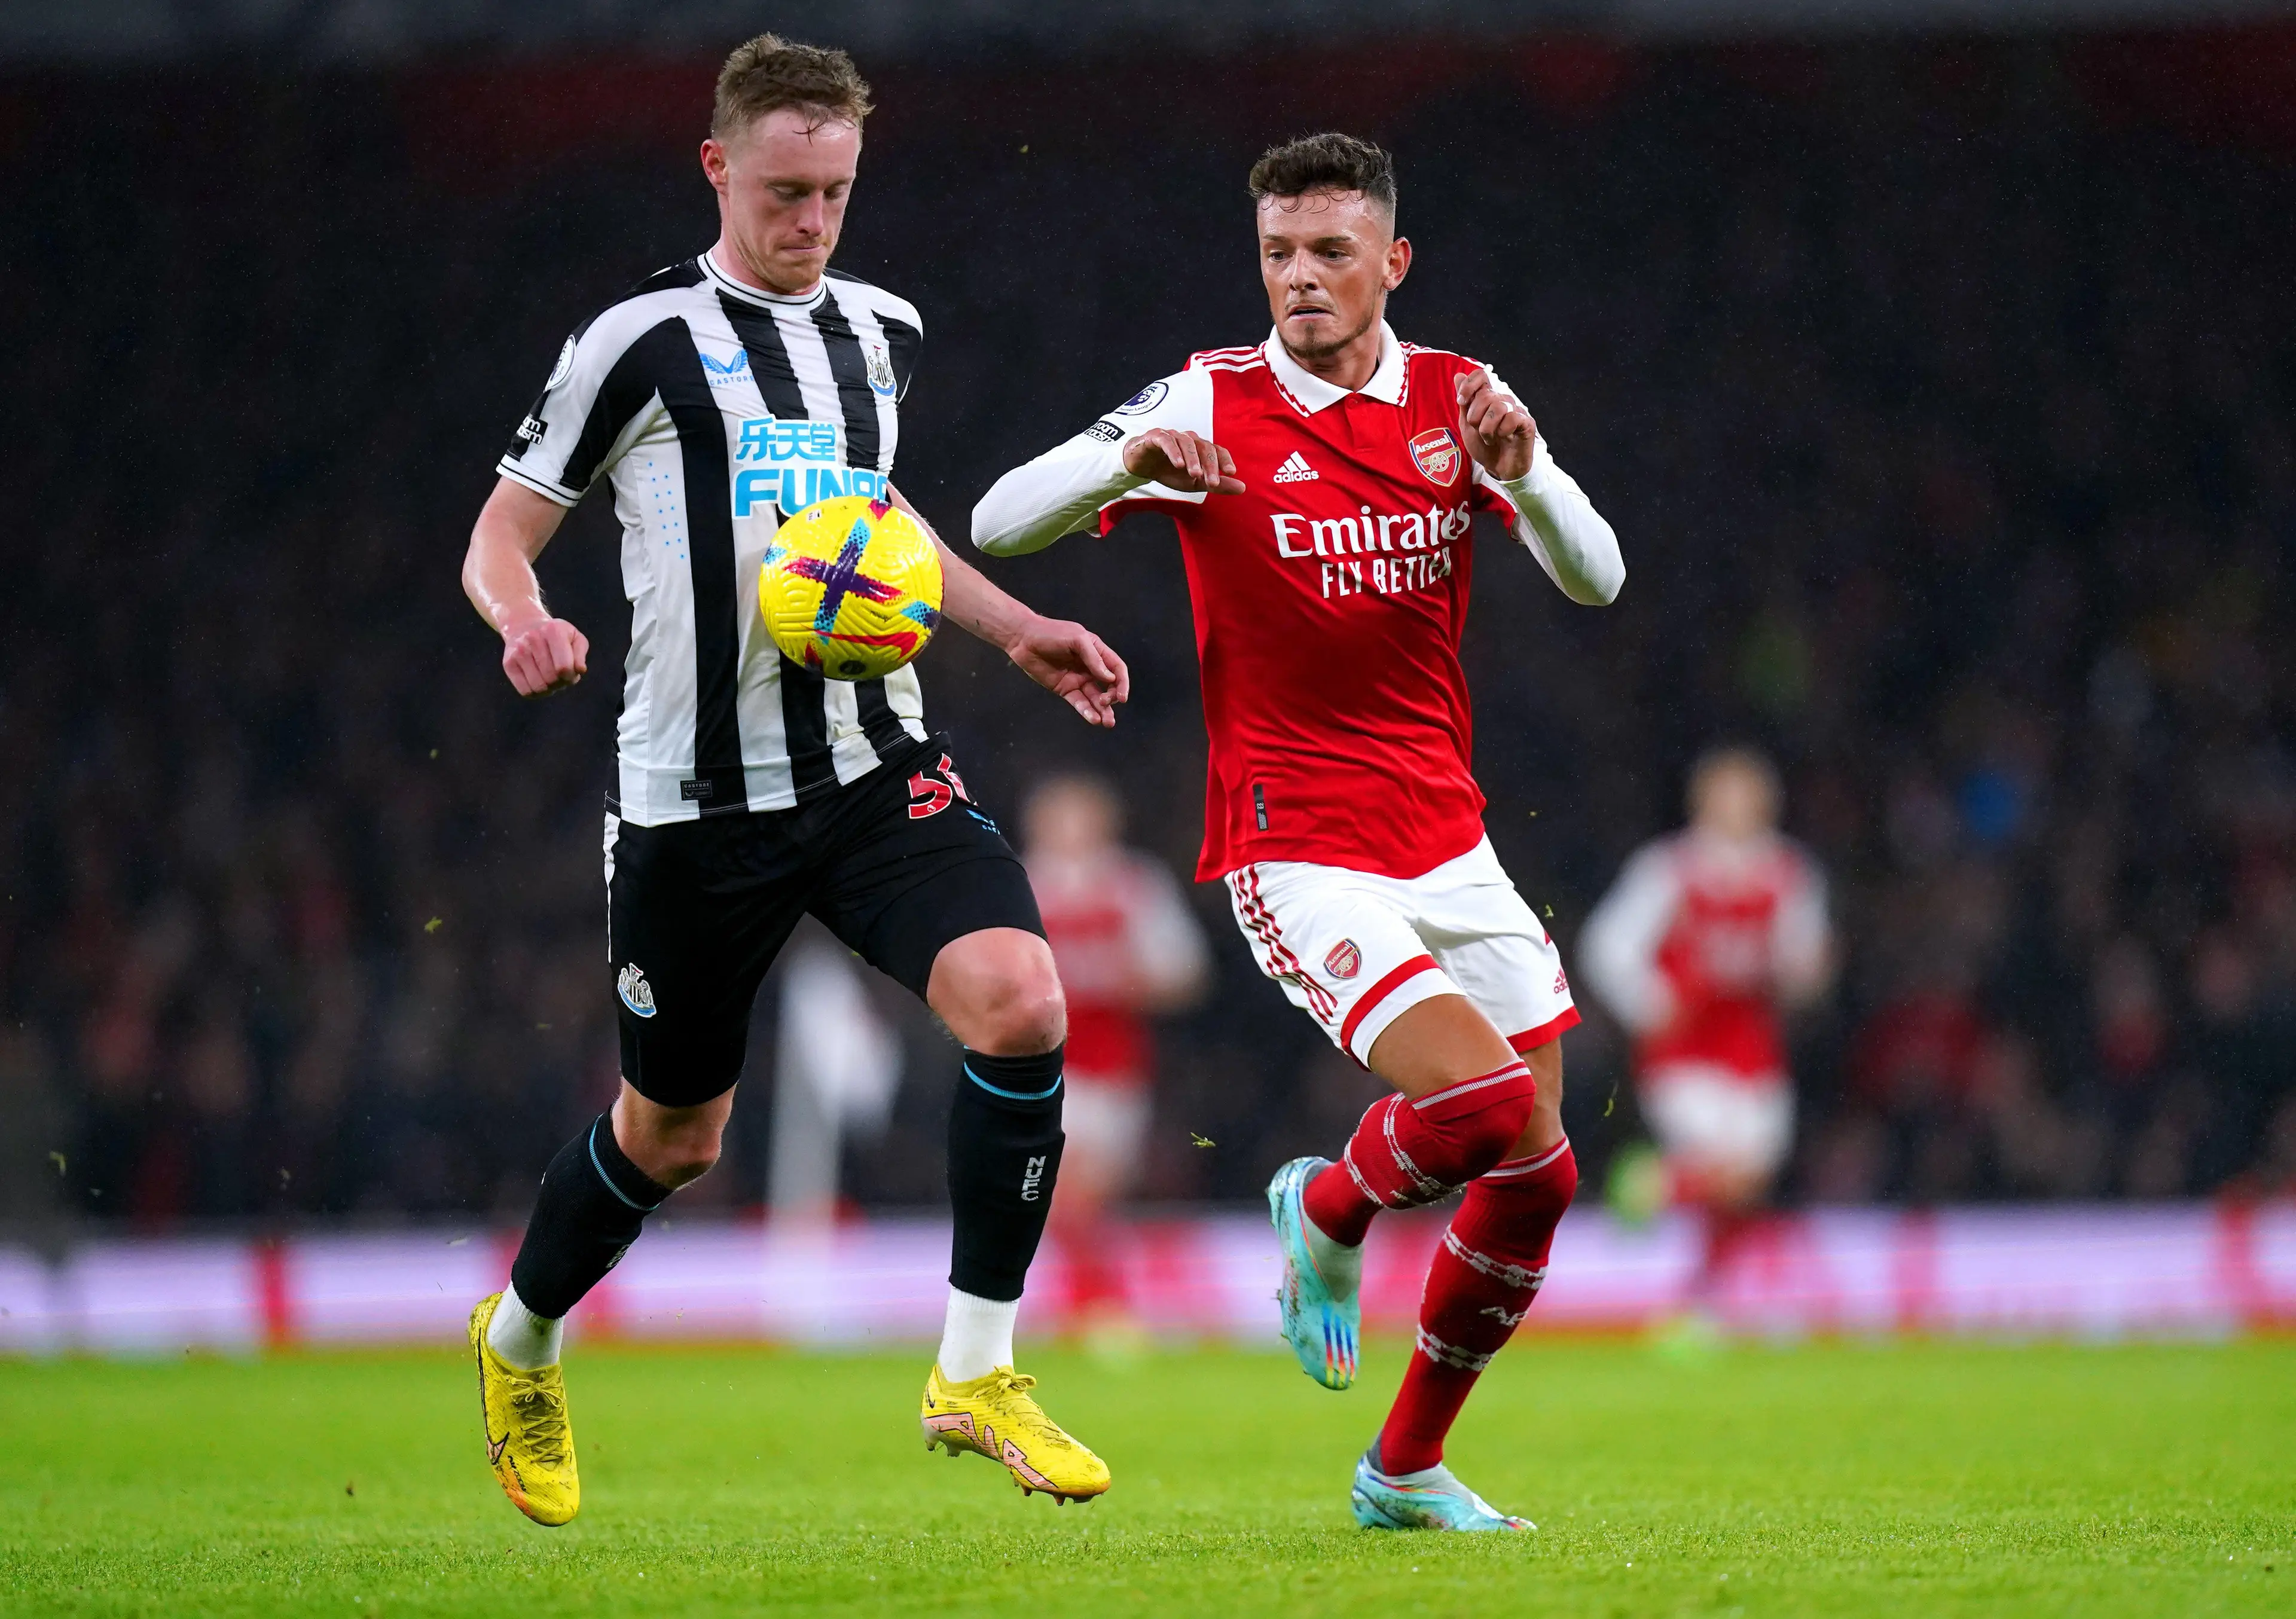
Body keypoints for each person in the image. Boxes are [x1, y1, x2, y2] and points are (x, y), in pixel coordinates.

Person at [458, 35, 1127, 1526]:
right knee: (673, 1135)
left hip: (870, 765)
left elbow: (872, 518)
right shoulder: (632, 341)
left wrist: (1012, 625)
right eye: (782, 190)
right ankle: (519, 1340)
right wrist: (525, 619)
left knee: (1020, 998)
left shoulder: (879, 331)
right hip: (695, 806)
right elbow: (499, 532)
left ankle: (973, 1366)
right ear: (717, 167)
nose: (809, 220)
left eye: (832, 191)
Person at [973, 133, 1623, 1531]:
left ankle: (1400, 1468)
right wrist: (1123, 460)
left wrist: (1533, 474)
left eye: (1330, 252)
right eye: (1278, 252)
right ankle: (1324, 1210)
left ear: (1391, 260)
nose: (1300, 278)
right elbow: (996, 518)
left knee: (1539, 1170)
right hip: (1292, 839)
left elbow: (1596, 575)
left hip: (1447, 835)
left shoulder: (1460, 399)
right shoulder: (1208, 396)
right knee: (1477, 1104)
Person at [1580, 747, 1833, 1330]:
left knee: (1749, 1183)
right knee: (1730, 1168)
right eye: (1729, 795)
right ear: (1704, 802)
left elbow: (1804, 965)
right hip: (1684, 1052)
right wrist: (1649, 1000)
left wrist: (1806, 974)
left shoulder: (1791, 873)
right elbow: (1607, 945)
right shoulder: (1669, 869)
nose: (1741, 807)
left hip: (1755, 1050)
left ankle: (1696, 1300)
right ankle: (1647, 1185)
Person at [1019, 775, 1208, 1344]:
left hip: (1117, 1065)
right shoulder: (1021, 883)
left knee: (1094, 1192)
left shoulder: (1134, 884)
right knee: (1065, 1186)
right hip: (1042, 1064)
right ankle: (1097, 1305)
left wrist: (1122, 980)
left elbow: (1184, 974)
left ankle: (1089, 1306)